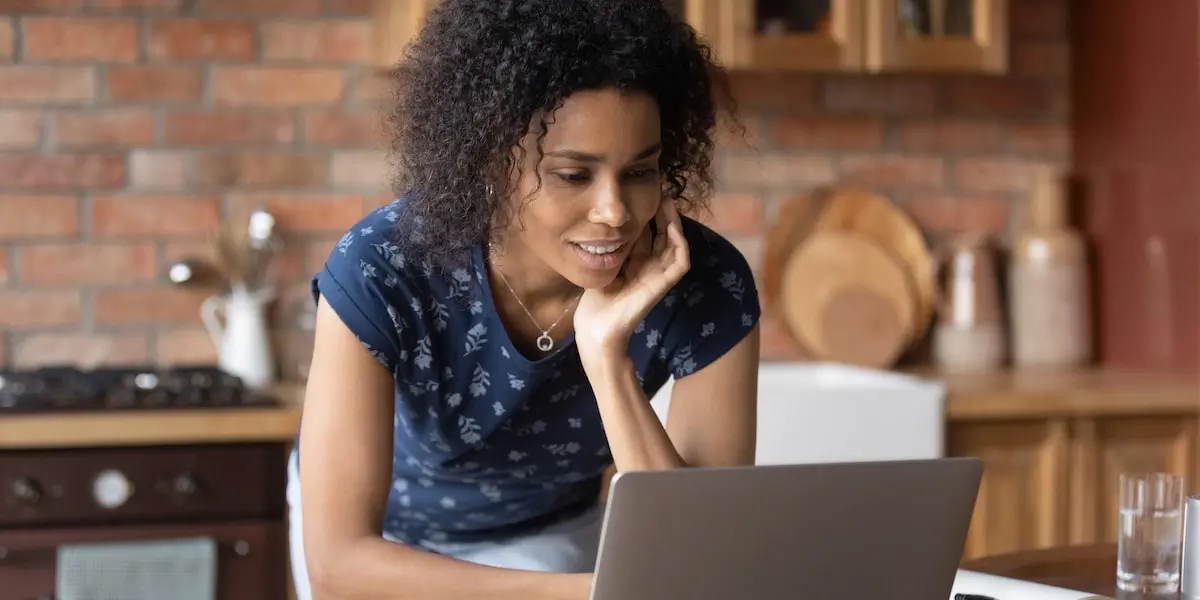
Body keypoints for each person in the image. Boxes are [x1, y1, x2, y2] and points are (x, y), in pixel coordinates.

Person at [290, 0, 762, 598]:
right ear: (491, 161)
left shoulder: (705, 283)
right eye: (572, 175)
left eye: (640, 172)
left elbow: (700, 555)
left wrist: (606, 357)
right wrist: (597, 593)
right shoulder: (382, 267)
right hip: (385, 551)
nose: (614, 212)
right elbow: (339, 565)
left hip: (552, 539)